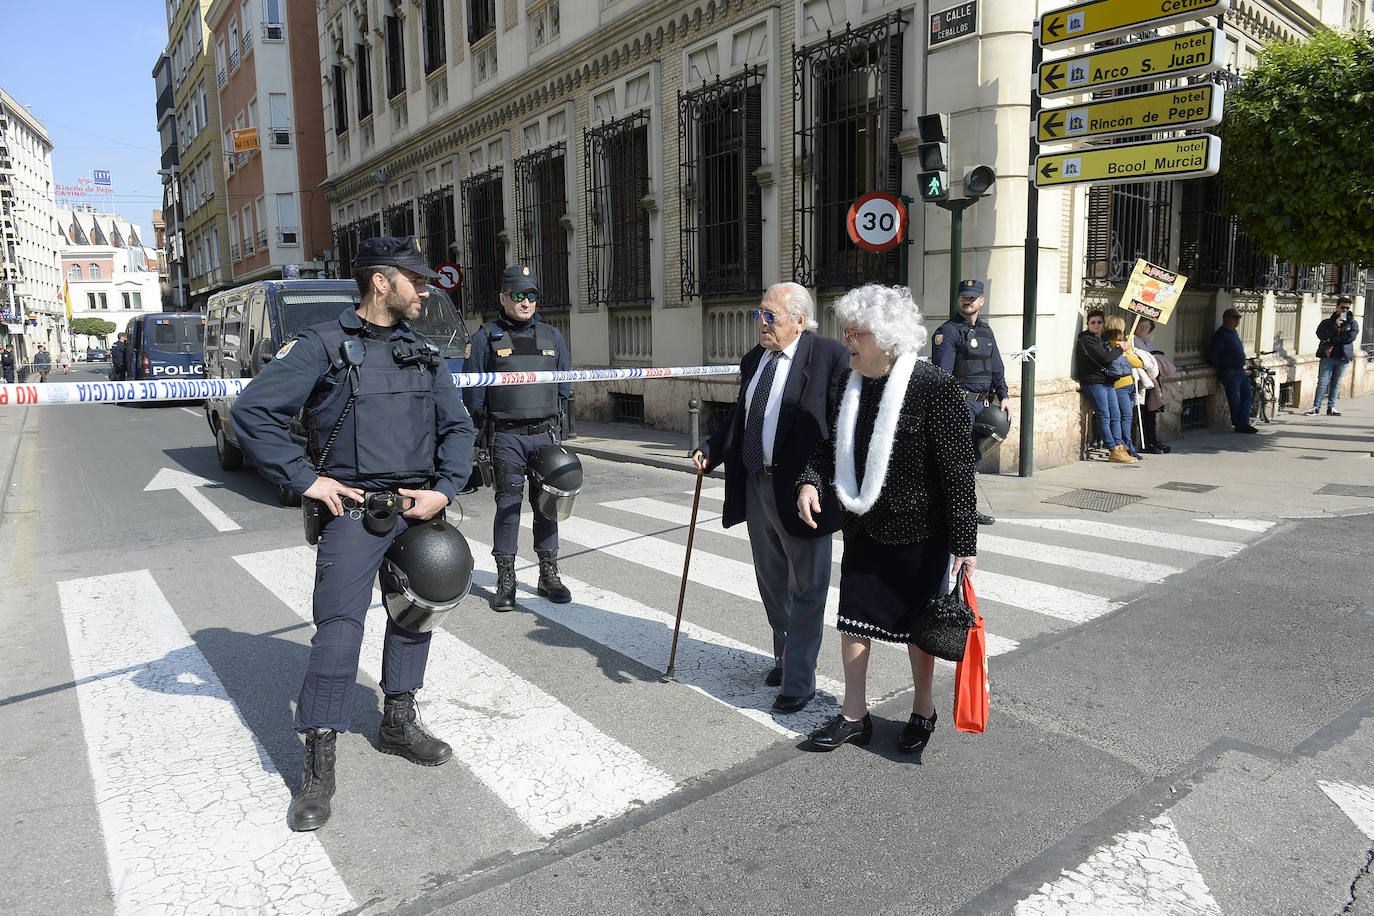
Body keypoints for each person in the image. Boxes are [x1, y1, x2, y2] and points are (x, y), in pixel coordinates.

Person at [230, 235, 476, 832]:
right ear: (382, 282)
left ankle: (397, 721)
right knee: (339, 635)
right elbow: (252, 412)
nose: (426, 290)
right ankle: (317, 764)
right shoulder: (323, 347)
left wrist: (444, 489)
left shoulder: (422, 352)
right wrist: (306, 481)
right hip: (354, 512)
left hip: (417, 511)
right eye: (415, 280)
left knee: (417, 615)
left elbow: (459, 430)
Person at [796, 284, 977, 757]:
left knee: (920, 627)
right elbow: (828, 445)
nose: (847, 341)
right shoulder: (850, 383)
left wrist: (965, 542)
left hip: (921, 532)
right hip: (864, 526)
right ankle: (854, 716)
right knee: (853, 620)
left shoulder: (935, 387)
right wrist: (810, 481)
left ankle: (923, 710)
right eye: (846, 331)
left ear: (890, 339)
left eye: (857, 333)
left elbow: (958, 471)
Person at [691, 282, 849, 714]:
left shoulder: (829, 357)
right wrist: (713, 446)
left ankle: (799, 680)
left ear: (800, 320)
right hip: (758, 484)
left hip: (804, 490)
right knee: (771, 582)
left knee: (808, 587)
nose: (761, 323)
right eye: (759, 314)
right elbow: (743, 416)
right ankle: (786, 653)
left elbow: (837, 431)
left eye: (770, 316)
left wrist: (816, 480)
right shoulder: (754, 359)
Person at [463, 264, 574, 611]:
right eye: (517, 295)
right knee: (508, 506)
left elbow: (564, 385)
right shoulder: (485, 337)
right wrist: (482, 435)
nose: (525, 302)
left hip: (544, 434)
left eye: (531, 295)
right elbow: (473, 394)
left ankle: (548, 574)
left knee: (548, 507)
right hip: (507, 436)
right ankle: (506, 579)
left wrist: (562, 427)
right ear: (503, 297)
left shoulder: (553, 336)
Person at [931, 279, 1008, 525]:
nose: (968, 300)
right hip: (960, 403)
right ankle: (950, 510)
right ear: (958, 300)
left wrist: (1004, 395)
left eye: (973, 297)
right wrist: (950, 408)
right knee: (957, 459)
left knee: (972, 458)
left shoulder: (986, 331)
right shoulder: (948, 331)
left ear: (981, 301)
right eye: (964, 296)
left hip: (983, 405)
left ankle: (965, 510)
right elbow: (943, 375)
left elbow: (996, 366)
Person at [1074, 310, 1135, 463]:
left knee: (1116, 415)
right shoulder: (1087, 339)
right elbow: (1105, 358)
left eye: (1099, 322)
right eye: (1093, 322)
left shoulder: (1102, 340)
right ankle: (1112, 449)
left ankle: (1120, 446)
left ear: (1103, 324)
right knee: (1104, 416)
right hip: (1094, 383)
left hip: (1107, 382)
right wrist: (1121, 349)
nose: (1096, 325)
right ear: (1088, 324)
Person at [1305, 296, 1360, 417]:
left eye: (1347, 308)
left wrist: (1332, 339)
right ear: (1337, 308)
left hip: (1343, 357)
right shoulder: (1327, 322)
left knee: (1336, 383)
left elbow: (1350, 338)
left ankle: (1331, 407)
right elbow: (1321, 334)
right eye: (1342, 308)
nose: (1345, 310)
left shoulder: (1352, 323)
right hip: (1328, 356)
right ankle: (1316, 407)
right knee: (1323, 382)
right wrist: (1335, 325)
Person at [1208, 308, 1257, 434]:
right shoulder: (1222, 334)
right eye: (1234, 318)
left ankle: (1243, 421)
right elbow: (1214, 354)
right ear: (1226, 319)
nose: (1237, 320)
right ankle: (1239, 423)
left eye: (1238, 318)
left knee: (1248, 395)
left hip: (1240, 370)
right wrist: (1222, 367)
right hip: (1230, 371)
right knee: (1235, 398)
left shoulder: (1234, 332)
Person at [1131, 318, 1175, 454]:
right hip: (1143, 380)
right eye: (1142, 326)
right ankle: (1146, 442)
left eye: (1147, 327)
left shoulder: (1146, 341)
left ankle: (1153, 440)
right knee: (1145, 412)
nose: (1144, 330)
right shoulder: (1132, 340)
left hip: (1152, 379)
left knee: (1152, 412)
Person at [1103, 316, 1145, 460]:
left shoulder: (1123, 343)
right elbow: (1134, 361)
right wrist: (1130, 353)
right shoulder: (1112, 345)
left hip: (1130, 384)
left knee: (1127, 417)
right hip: (1119, 386)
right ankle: (1127, 445)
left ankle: (1127, 444)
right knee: (1125, 417)